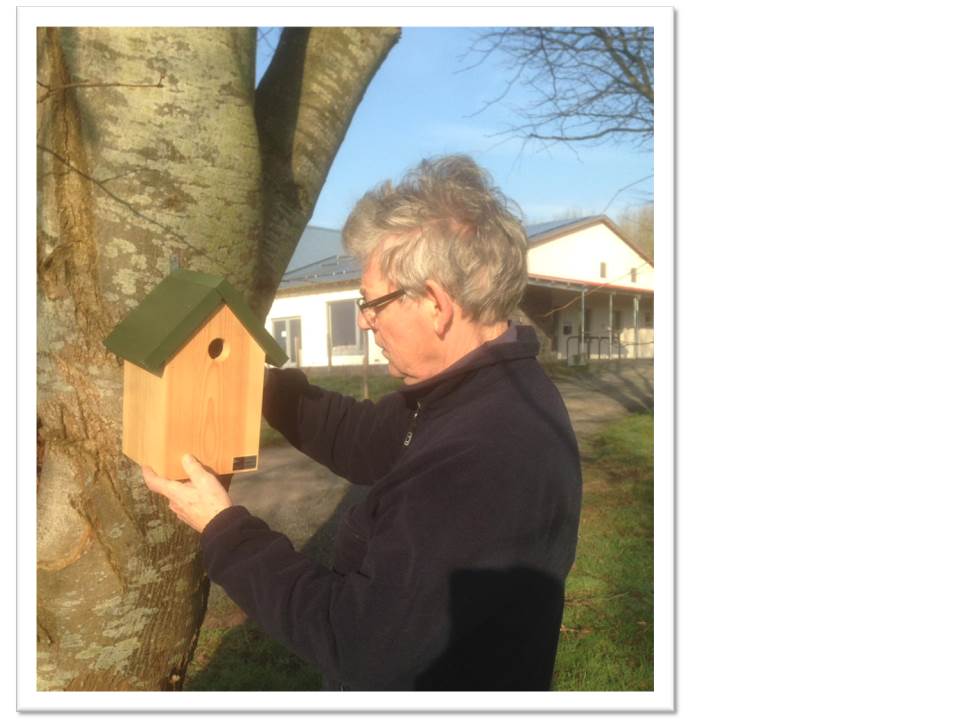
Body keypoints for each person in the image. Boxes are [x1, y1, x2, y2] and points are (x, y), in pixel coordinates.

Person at [143, 155, 582, 690]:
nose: (365, 319)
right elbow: (365, 439)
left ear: (435, 305)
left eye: (371, 302)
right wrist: (247, 382)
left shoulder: (485, 457)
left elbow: (356, 641)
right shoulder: (474, 394)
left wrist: (224, 530)